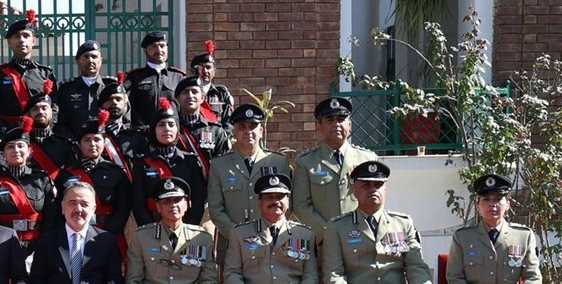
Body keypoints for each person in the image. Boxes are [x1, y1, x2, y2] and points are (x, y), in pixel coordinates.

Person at [207, 104, 292, 251]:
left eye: (252, 126)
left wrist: (269, 232)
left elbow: (288, 203)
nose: (248, 132)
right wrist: (238, 235)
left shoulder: (278, 162)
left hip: (270, 243)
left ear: (261, 131)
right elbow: (215, 208)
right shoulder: (219, 165)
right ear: (234, 132)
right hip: (231, 244)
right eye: (242, 127)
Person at [293, 97, 378, 243]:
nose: (336, 124)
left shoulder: (367, 159)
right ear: (319, 127)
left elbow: (374, 201)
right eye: (330, 120)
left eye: (341, 119)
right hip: (325, 242)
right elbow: (301, 206)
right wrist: (330, 233)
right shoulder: (306, 162)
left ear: (350, 125)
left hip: (361, 239)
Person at [56, 111, 133, 253]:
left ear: (104, 143)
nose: (92, 144)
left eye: (97, 139)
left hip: (110, 234)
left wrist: (107, 234)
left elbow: (123, 208)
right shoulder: (66, 173)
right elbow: (58, 209)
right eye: (87, 140)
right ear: (79, 145)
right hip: (74, 235)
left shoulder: (116, 172)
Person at [0, 117, 59, 256]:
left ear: (29, 151)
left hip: (37, 245)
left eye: (21, 146)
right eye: (10, 147)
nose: (16, 150)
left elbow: (51, 218)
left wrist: (43, 245)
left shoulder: (42, 180)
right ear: (3, 154)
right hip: (3, 245)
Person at [132, 98, 206, 226]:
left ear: (178, 129)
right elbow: (138, 203)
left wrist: (187, 228)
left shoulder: (191, 161)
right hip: (153, 225)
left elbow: (198, 200)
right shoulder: (142, 163)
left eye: (171, 125)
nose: (167, 129)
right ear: (154, 130)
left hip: (186, 224)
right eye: (161, 125)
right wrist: (150, 228)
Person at [0, 10, 56, 135]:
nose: (22, 40)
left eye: (26, 36)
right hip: (12, 136)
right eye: (16, 36)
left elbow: (55, 106)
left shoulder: (45, 73)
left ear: (33, 41)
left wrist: (47, 128)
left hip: (41, 135)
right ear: (9, 42)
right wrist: (6, 133)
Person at [124, 30, 184, 129]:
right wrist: (142, 128)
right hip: (142, 133)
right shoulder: (134, 77)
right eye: (154, 46)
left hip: (171, 132)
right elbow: (130, 106)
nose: (159, 50)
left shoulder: (178, 77)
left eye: (162, 46)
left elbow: (183, 107)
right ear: (145, 50)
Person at [55, 40, 116, 136]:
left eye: (94, 57)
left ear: (100, 61)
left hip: (106, 142)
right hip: (74, 142)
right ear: (78, 61)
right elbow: (60, 122)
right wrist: (72, 141)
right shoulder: (66, 89)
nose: (90, 60)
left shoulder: (111, 86)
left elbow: (124, 114)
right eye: (85, 57)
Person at [23, 81, 76, 179]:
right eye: (35, 109)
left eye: (44, 108)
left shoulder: (65, 144)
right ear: (27, 115)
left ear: (52, 112)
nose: (40, 112)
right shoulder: (22, 144)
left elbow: (72, 174)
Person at [189, 40, 233, 124]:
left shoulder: (221, 93)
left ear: (214, 71)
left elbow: (229, 122)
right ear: (192, 71)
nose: (205, 71)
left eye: (208, 67)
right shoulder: (187, 93)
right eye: (201, 67)